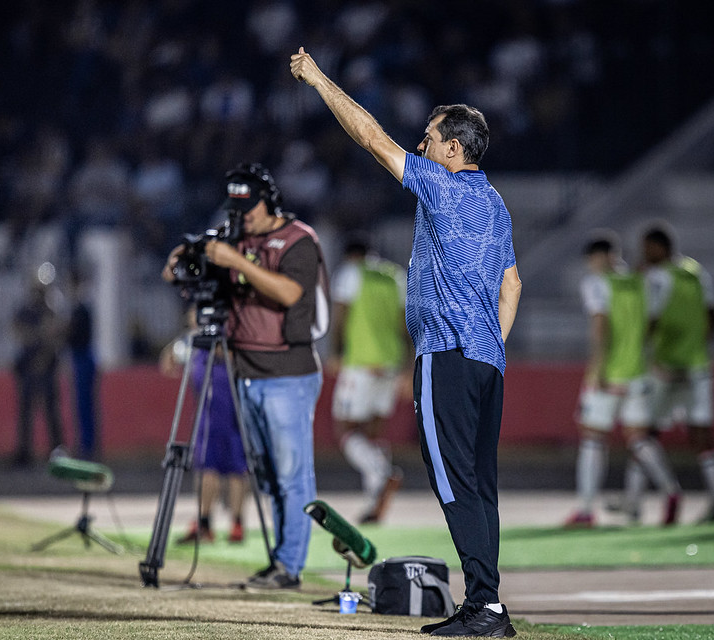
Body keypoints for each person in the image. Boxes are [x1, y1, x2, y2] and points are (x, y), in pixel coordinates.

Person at [291, 48, 522, 638]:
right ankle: (489, 604)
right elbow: (512, 283)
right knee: (481, 485)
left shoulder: (443, 187)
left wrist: (319, 80)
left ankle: (486, 608)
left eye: (429, 137)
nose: (421, 145)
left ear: (452, 149)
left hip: (445, 355)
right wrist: (492, 346)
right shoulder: (495, 203)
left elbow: (370, 137)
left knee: (452, 481)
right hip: (485, 360)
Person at [162, 163, 328, 589]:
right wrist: (188, 258)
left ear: (269, 202)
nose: (243, 215)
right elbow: (178, 272)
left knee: (293, 475)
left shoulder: (299, 240)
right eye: (236, 207)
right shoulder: (234, 234)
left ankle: (290, 566)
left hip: (288, 374)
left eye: (249, 207)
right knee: (269, 476)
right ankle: (279, 560)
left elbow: (290, 293)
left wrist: (236, 260)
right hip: (244, 374)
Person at [564, 234, 680, 528]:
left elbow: (600, 326)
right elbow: (652, 326)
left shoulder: (597, 283)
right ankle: (671, 491)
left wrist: (597, 370)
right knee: (639, 440)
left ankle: (587, 510)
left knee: (592, 439)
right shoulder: (645, 282)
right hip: (639, 373)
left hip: (610, 373)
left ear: (598, 257)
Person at [624, 224, 714, 524]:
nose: (643, 253)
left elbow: (650, 321)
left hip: (665, 368)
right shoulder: (695, 272)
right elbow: (713, 318)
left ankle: (636, 504)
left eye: (647, 247)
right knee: (702, 437)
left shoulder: (655, 277)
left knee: (643, 434)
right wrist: (696, 347)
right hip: (697, 366)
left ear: (659, 247)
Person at [328, 238, 408, 524]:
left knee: (345, 429)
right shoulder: (394, 275)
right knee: (373, 432)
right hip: (390, 362)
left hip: (361, 362)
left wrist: (335, 352)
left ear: (351, 254)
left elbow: (340, 316)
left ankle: (383, 474)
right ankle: (376, 502)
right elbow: (405, 322)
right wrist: (407, 367)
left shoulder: (351, 273)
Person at [159, 315, 248, 545]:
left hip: (226, 409)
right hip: (210, 411)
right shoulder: (195, 340)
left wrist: (212, 339)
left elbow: (232, 355)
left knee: (227, 466)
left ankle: (225, 522)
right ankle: (214, 522)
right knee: (214, 465)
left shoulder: (227, 331)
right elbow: (168, 361)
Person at [12, 282, 64, 466]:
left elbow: (54, 340)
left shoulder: (50, 312)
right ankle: (24, 452)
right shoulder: (25, 312)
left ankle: (57, 451)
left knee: (51, 412)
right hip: (28, 368)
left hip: (45, 368)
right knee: (26, 413)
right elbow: (19, 331)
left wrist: (42, 357)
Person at [65, 270, 99, 461]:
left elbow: (73, 335)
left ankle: (87, 446)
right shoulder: (81, 308)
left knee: (84, 404)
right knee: (83, 405)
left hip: (82, 357)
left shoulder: (81, 309)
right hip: (82, 357)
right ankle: (86, 444)